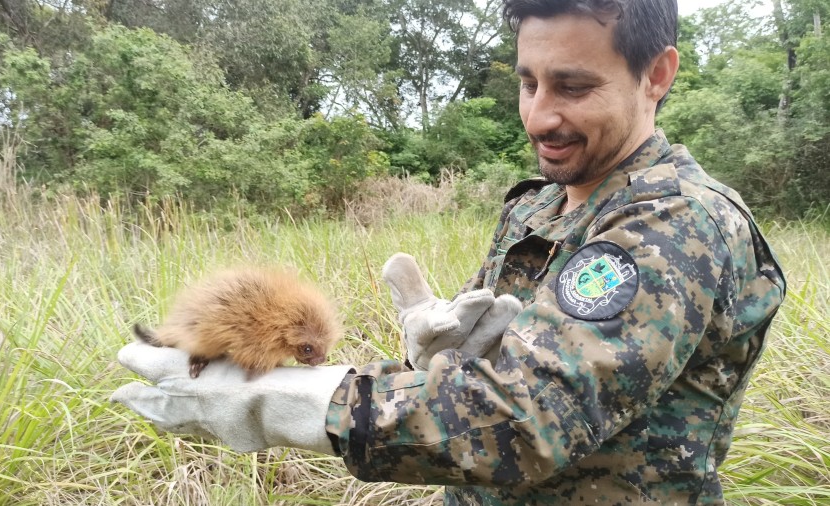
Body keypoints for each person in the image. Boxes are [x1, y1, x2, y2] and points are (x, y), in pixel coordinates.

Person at [112, 0, 786, 503]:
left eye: (573, 87)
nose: (540, 116)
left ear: (657, 75)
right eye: (528, 82)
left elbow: (525, 421)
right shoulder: (536, 205)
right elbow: (479, 381)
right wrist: (437, 361)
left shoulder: (680, 222)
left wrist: (305, 401)